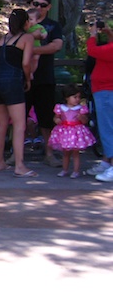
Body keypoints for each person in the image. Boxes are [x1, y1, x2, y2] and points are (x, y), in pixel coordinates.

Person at [0, 8, 34, 176]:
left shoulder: (2, 39)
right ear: (25, 23)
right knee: (19, 124)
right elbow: (26, 63)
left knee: (1, 124)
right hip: (13, 81)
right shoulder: (27, 38)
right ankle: (20, 166)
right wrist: (27, 79)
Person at [24, 0, 64, 167]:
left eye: (42, 5)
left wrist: (30, 49)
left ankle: (49, 153)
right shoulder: (23, 23)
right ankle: (17, 155)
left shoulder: (53, 26)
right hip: (23, 77)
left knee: (46, 118)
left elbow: (56, 46)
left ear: (49, 7)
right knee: (19, 117)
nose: (38, 8)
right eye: (35, 4)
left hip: (45, 77)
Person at [47, 83, 96, 178]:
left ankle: (76, 171)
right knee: (65, 153)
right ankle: (64, 170)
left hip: (76, 132)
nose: (77, 99)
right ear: (66, 97)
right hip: (64, 132)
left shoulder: (81, 109)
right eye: (75, 97)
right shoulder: (60, 108)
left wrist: (81, 117)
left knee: (76, 153)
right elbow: (56, 117)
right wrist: (57, 120)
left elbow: (85, 121)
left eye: (79, 97)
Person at [87, 20, 113, 182]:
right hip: (103, 90)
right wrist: (108, 33)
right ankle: (106, 161)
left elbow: (92, 50)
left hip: (107, 91)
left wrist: (93, 35)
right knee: (106, 127)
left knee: (108, 128)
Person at [24, 7, 47, 79]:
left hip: (36, 46)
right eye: (27, 19)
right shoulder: (25, 27)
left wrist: (43, 35)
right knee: (27, 59)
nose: (29, 21)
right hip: (27, 47)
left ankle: (31, 72)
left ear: (37, 21)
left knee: (35, 59)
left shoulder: (39, 27)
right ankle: (26, 72)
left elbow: (44, 33)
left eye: (31, 19)